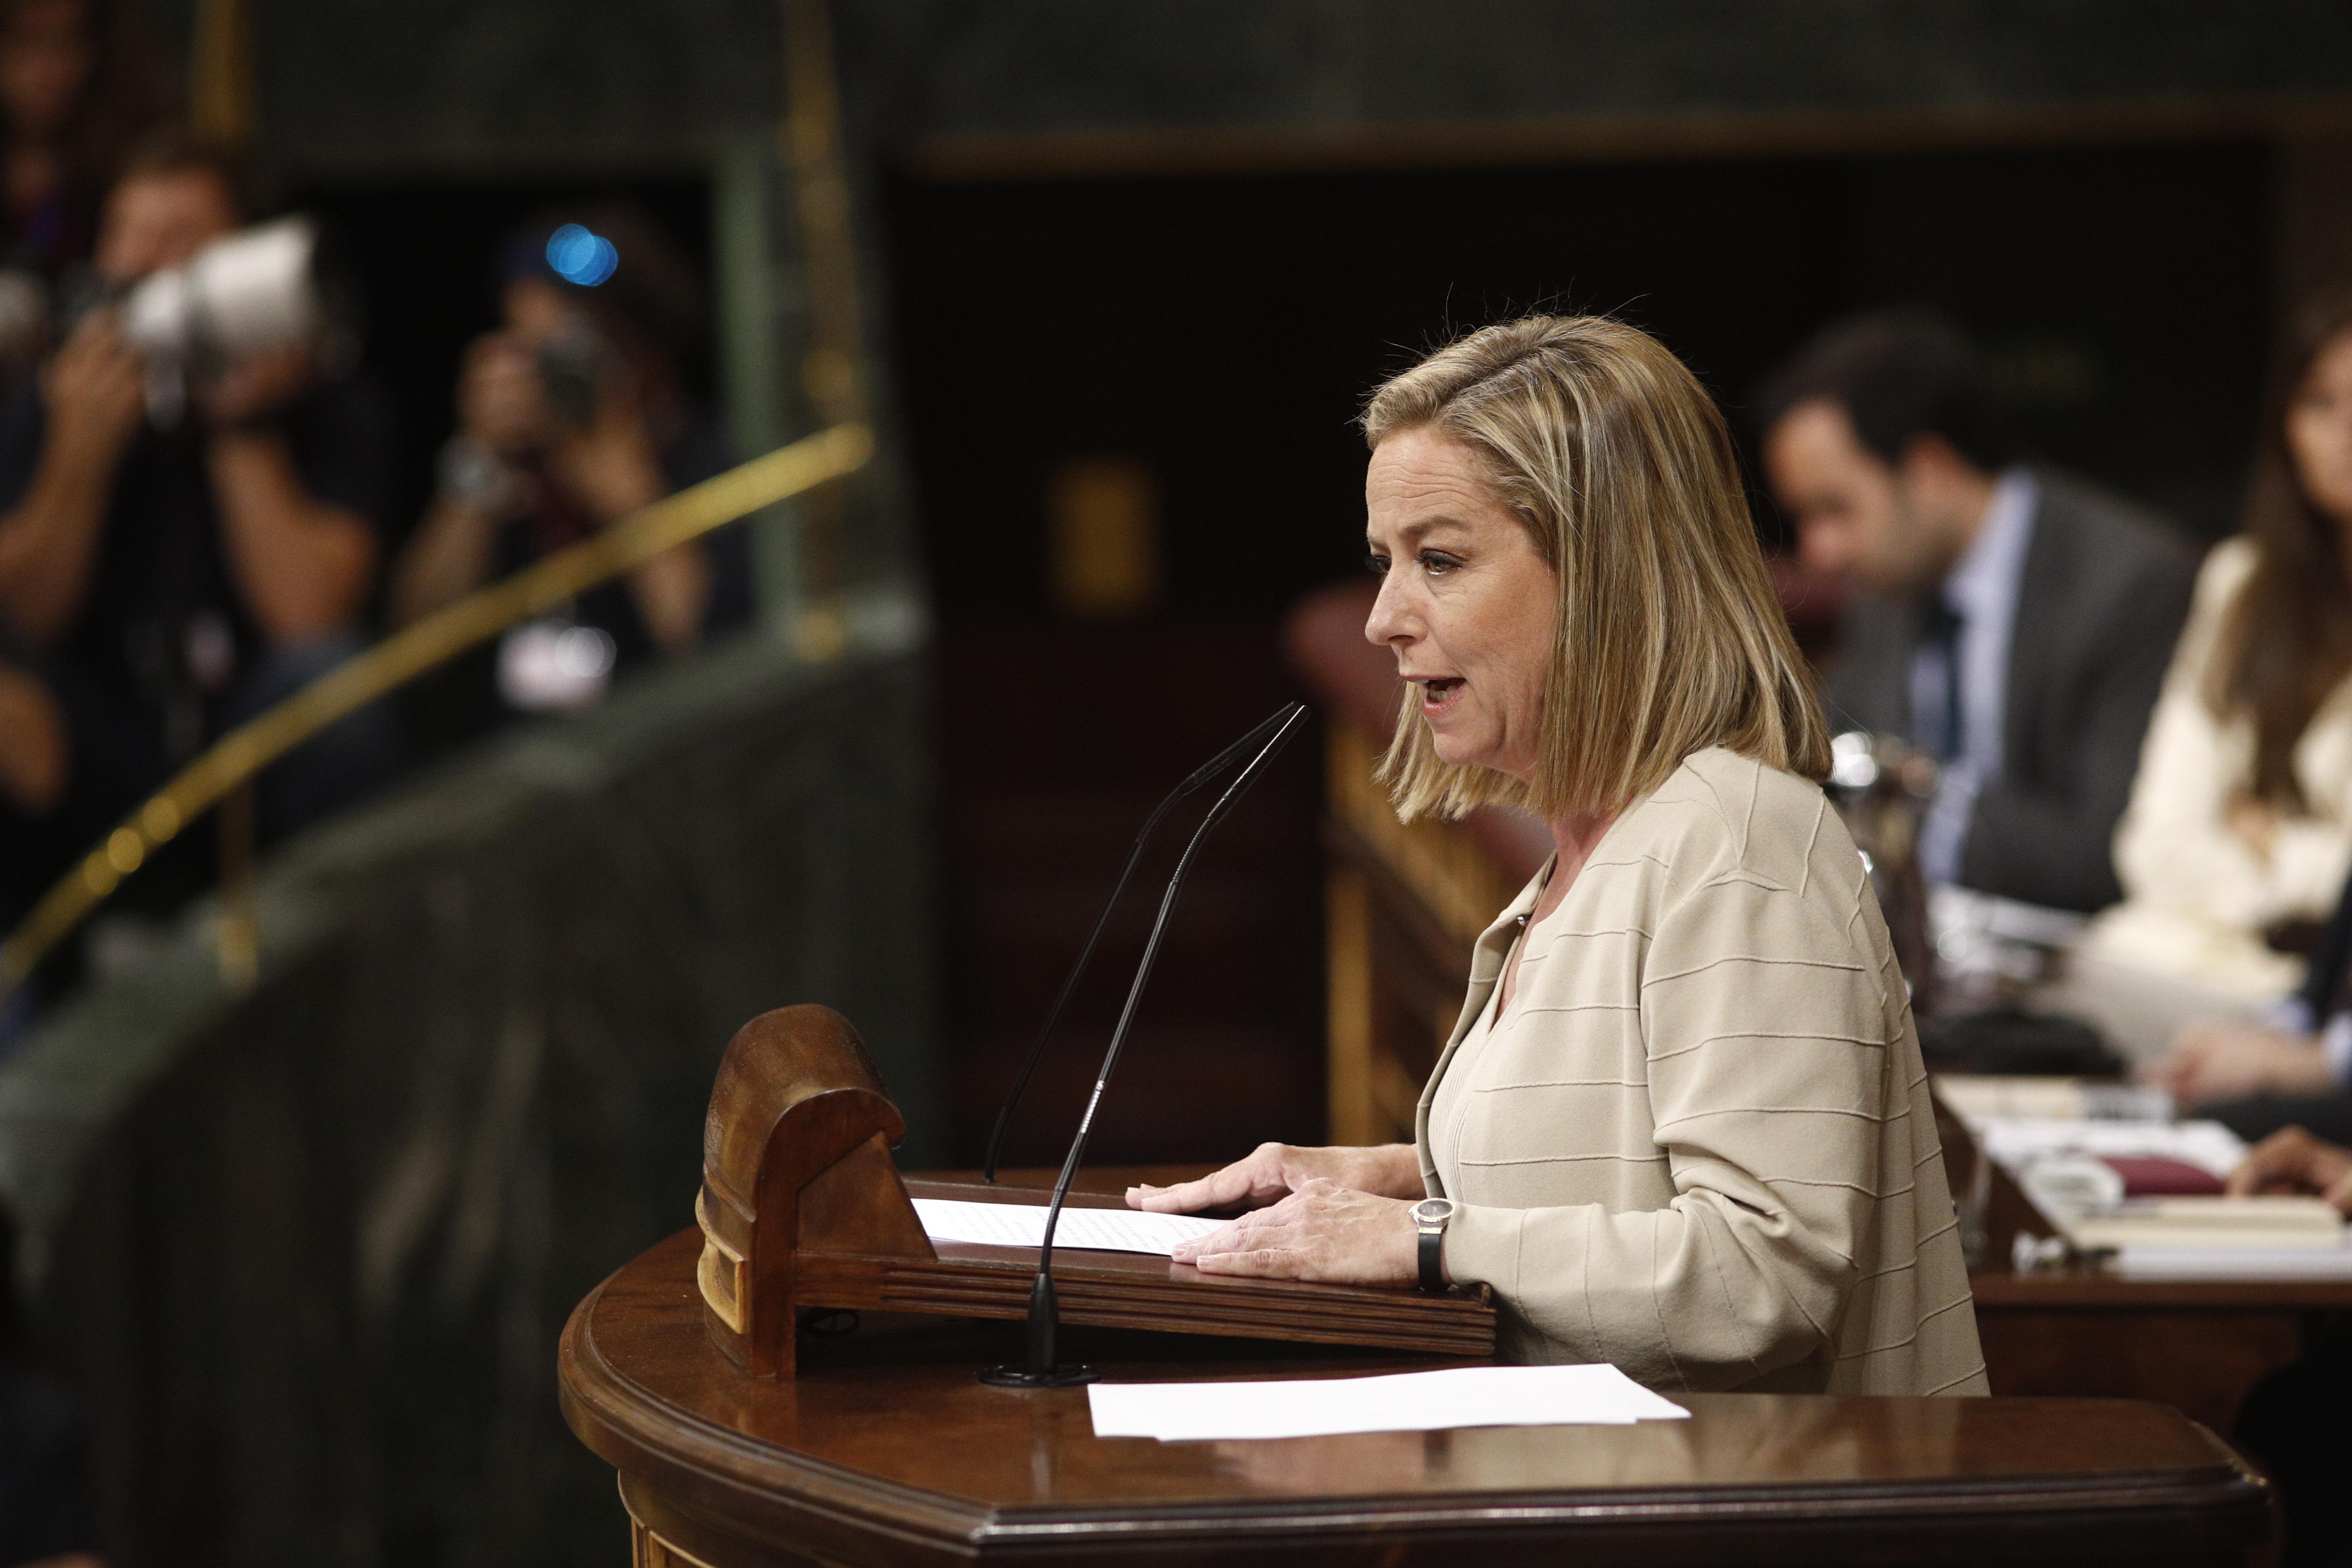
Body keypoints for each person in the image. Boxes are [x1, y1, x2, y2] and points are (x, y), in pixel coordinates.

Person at [1129, 316, 1987, 1396]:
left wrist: (1427, 1234)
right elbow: (1627, 1167)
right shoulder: (1597, 845)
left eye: (1439, 560)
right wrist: (1372, 1186)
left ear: (1605, 575)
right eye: (1385, 565)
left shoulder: (1735, 839)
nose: (1387, 618)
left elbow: (1762, 1275)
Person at [0, 130, 398, 880]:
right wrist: (77, 458)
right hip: (100, 751)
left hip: (246, 756)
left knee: (333, 684)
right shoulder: (52, 400)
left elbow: (312, 621)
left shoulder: (328, 403)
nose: (147, 268)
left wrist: (241, 429)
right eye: (129, 239)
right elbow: (24, 617)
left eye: (179, 241)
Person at [1758, 309, 2197, 915]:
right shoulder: (1889, 585)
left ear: (1931, 469)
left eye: (1835, 509)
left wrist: (1908, 814)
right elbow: (1831, 762)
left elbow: (2112, 848)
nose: (1818, 550)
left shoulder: (2127, 581)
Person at [2101, 294, 2352, 1072]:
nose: (2345, 433)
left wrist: (2273, 843)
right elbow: (2154, 838)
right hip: (2209, 960)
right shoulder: (2241, 584)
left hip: (2331, 996)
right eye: (2319, 402)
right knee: (2101, 964)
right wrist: (2284, 885)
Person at [390, 206, 746, 745]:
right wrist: (478, 463)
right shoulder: (511, 472)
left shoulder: (714, 467)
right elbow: (417, 652)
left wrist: (630, 498)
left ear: (644, 354)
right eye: (525, 355)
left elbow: (718, 664)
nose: (546, 384)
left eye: (566, 359)